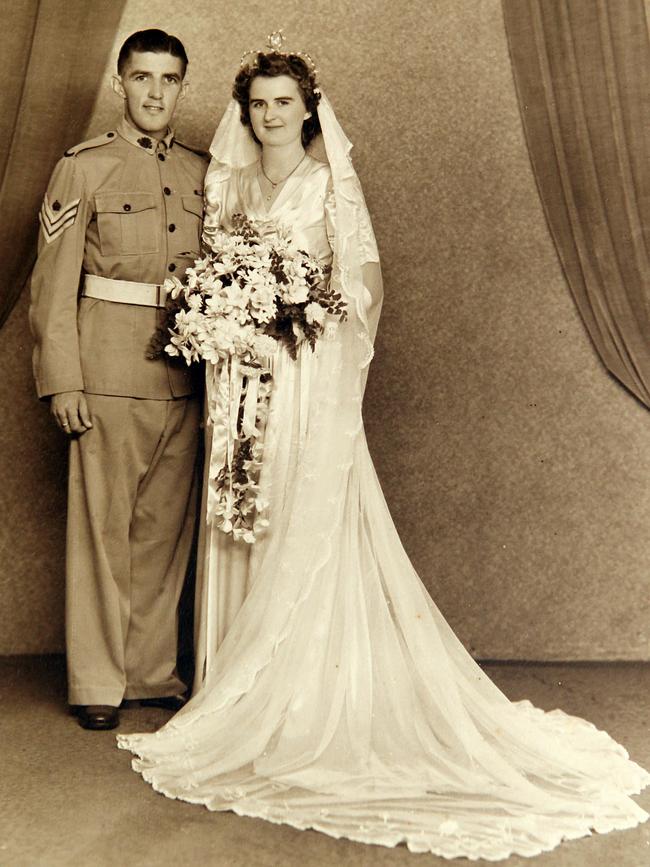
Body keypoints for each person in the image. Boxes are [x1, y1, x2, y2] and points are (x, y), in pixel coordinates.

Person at [118, 38, 649, 859]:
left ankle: (294, 699)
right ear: (244, 110)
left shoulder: (330, 183)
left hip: (300, 382)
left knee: (297, 517)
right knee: (237, 511)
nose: (270, 116)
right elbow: (215, 266)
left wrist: (298, 317)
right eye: (258, 103)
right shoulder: (227, 181)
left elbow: (362, 283)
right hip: (237, 386)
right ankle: (229, 686)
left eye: (284, 103)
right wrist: (223, 316)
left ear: (308, 108)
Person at [29, 29, 208, 731]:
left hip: (183, 376)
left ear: (181, 86)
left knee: (164, 534)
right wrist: (61, 380)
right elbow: (53, 285)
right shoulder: (84, 167)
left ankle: (151, 670)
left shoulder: (201, 172)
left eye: (169, 80)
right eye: (143, 78)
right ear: (120, 83)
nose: (156, 93)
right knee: (103, 532)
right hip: (103, 372)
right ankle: (98, 680)